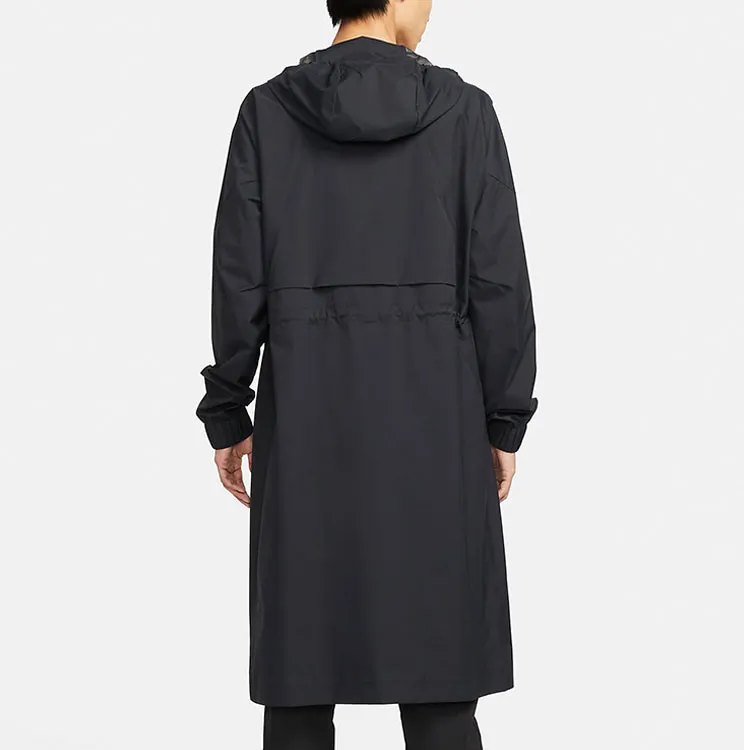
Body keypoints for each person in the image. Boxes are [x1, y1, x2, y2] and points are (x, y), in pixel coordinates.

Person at [196, 0, 538, 747]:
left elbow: (237, 274)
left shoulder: (267, 111)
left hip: (306, 422)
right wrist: (504, 419)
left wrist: (228, 410)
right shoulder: (465, 112)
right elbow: (500, 280)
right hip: (438, 421)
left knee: (300, 678)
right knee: (442, 680)